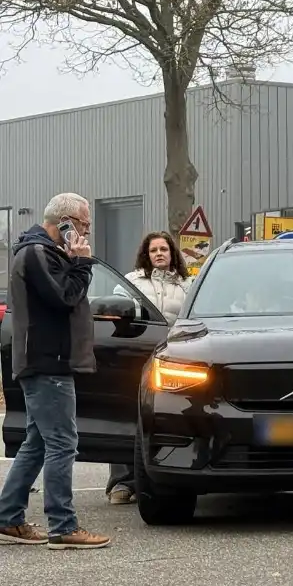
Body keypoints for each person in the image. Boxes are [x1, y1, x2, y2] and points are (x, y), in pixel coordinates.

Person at [0, 193, 111, 549]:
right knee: (63, 442)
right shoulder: (37, 253)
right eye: (84, 224)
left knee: (36, 443)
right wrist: (82, 262)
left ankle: (7, 517)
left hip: (46, 360)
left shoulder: (43, 253)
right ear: (65, 223)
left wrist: (75, 261)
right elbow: (64, 297)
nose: (86, 231)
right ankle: (63, 525)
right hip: (48, 361)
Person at [106, 231, 194, 505]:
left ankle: (177, 476)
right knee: (127, 416)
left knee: (173, 416)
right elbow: (114, 315)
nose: (159, 254)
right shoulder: (130, 284)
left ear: (172, 253)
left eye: (164, 249)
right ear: (146, 254)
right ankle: (122, 482)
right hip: (135, 358)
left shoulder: (188, 284)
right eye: (153, 249)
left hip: (177, 361)